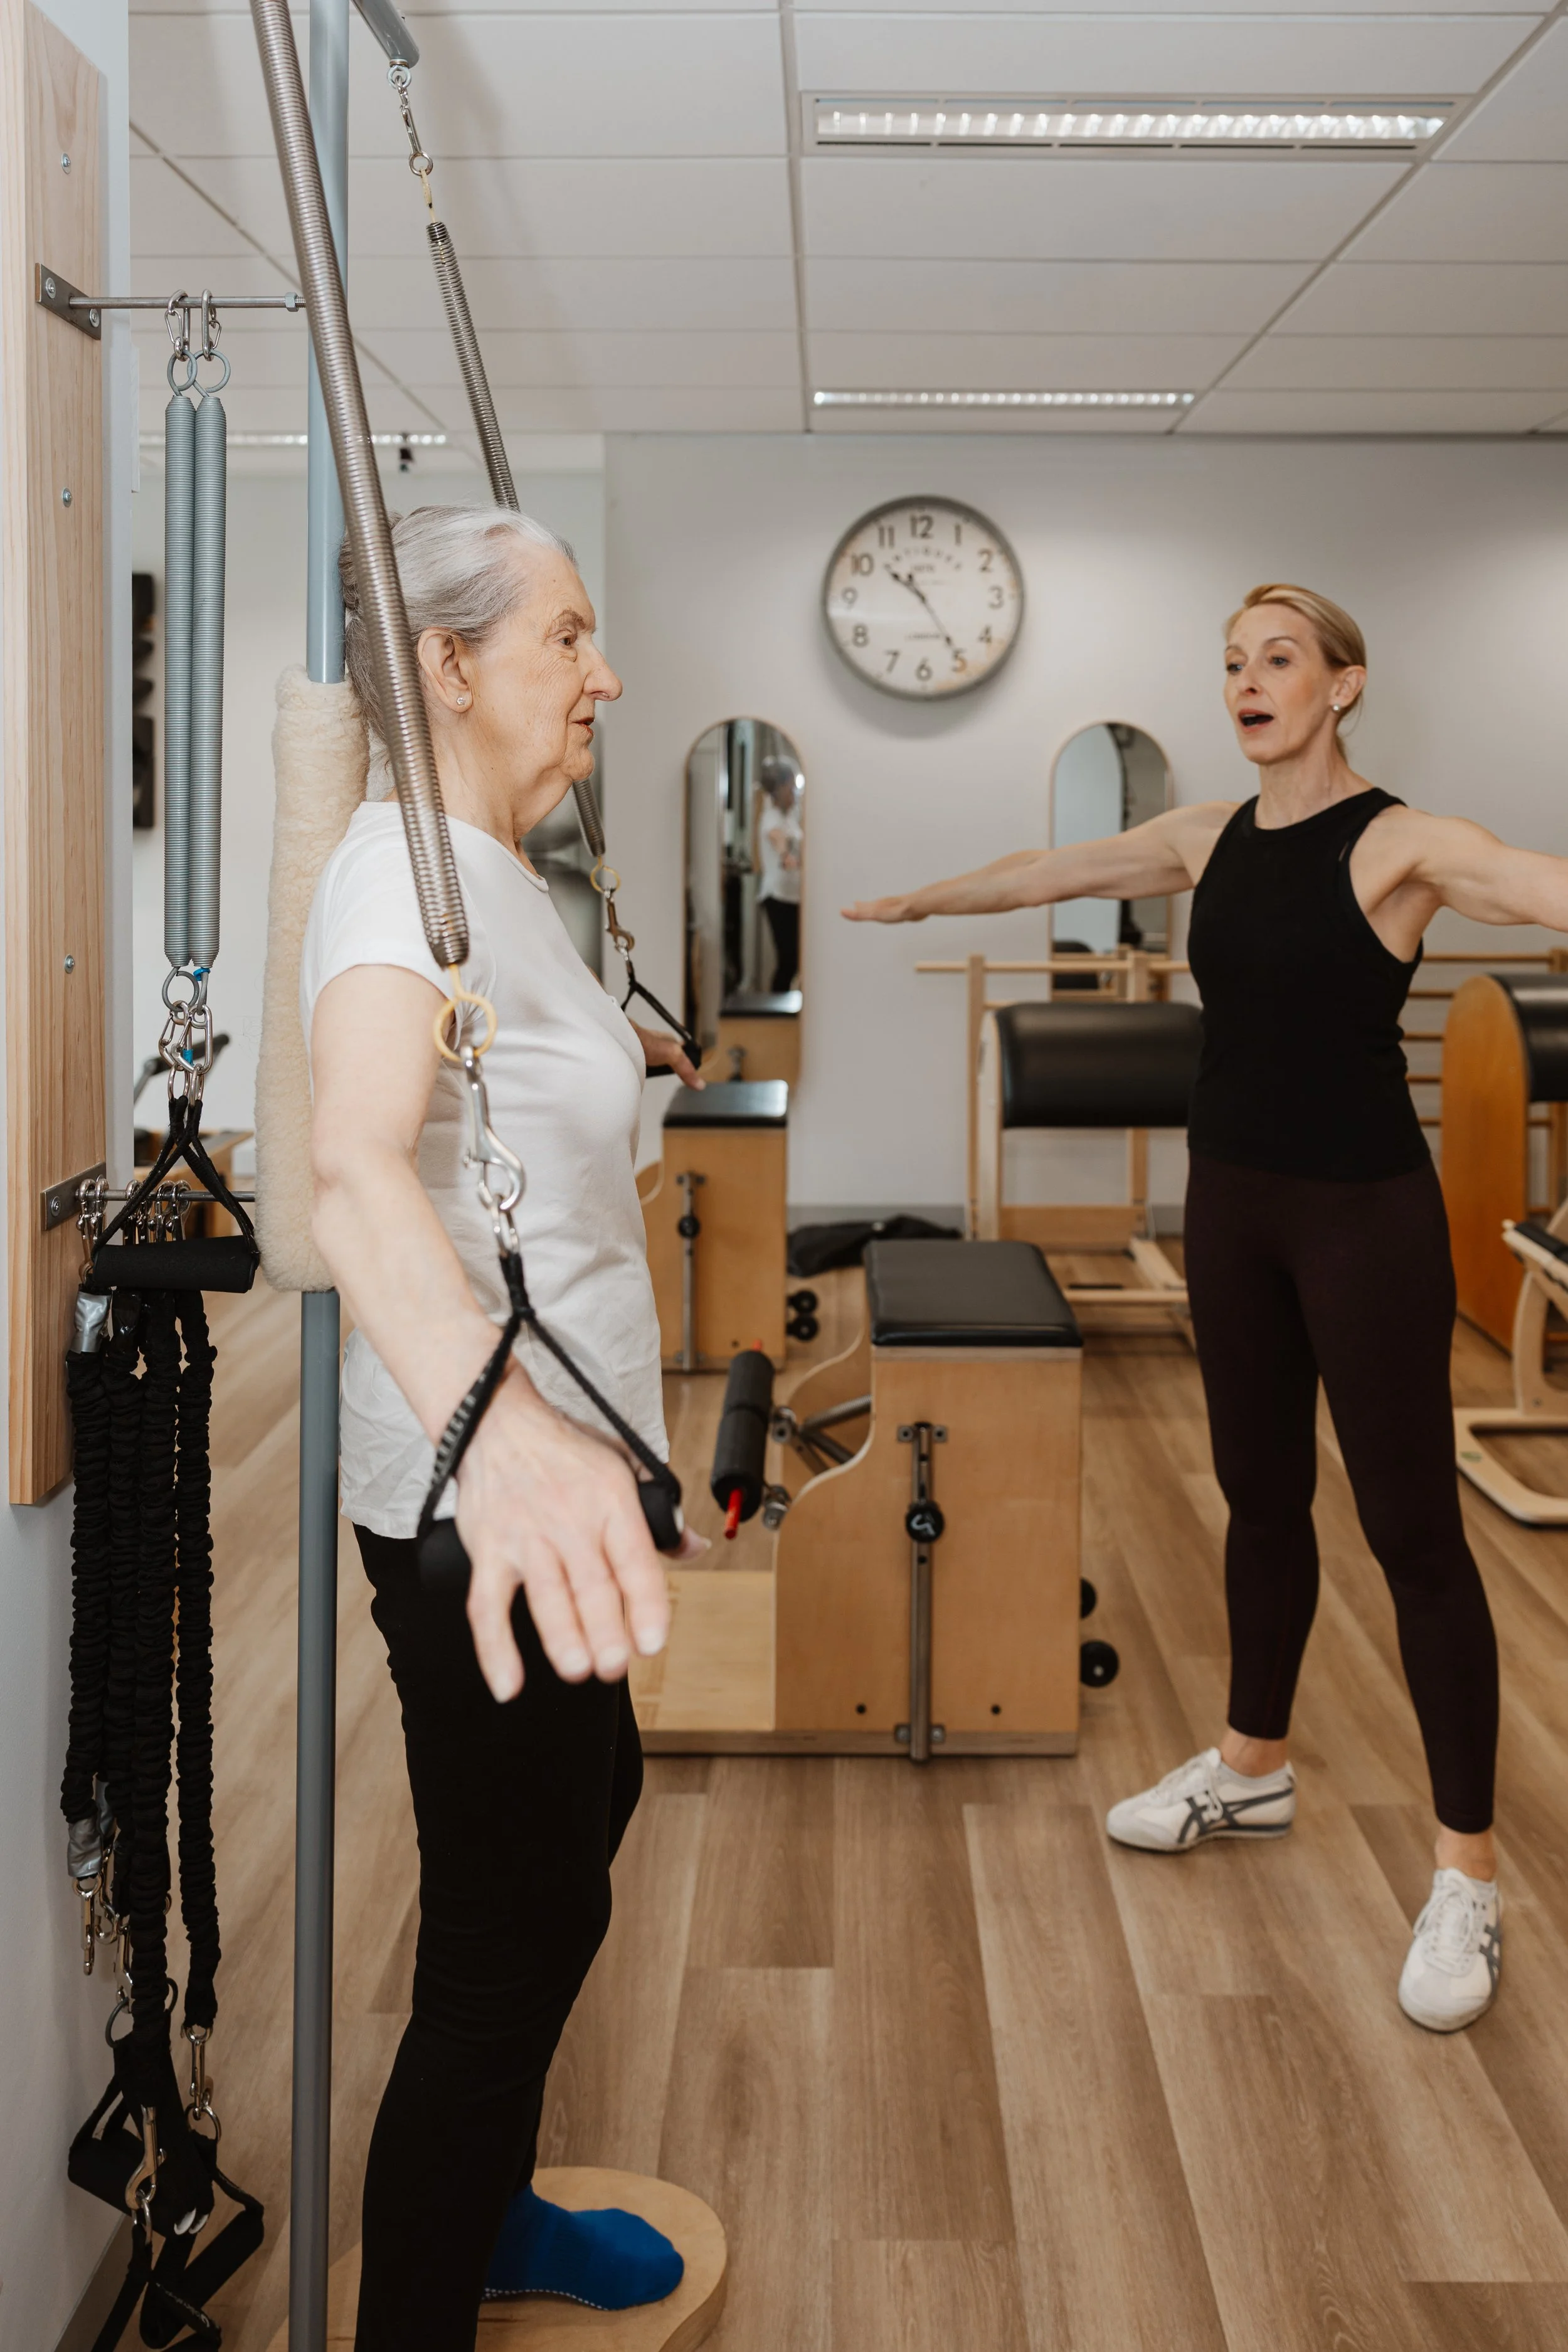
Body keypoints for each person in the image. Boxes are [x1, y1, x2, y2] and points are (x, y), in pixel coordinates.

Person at [845, 581, 1568, 2034]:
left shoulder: (1401, 845)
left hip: (1364, 1218)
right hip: (1230, 1205)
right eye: (1231, 660)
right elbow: (1049, 867)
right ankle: (1250, 1764)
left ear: (1344, 683)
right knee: (1258, 1499)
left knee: (1413, 1534)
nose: (1247, 681)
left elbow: (1536, 886)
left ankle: (1466, 1871)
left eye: (1279, 658)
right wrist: (925, 894)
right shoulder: (1207, 836)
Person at [301, 504, 704, 2349]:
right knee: (495, 1940)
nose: (602, 671)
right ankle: (437, 2286)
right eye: (567, 636)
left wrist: (624, 1063)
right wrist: (508, 1434)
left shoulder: (487, 870)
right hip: (488, 1509)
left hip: (551, 1490)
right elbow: (347, 1167)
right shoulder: (401, 877)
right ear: (448, 665)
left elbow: (504, 1110)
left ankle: (499, 2209)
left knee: (579, 1821)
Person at [755, 758, 802, 990]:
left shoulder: (791, 816)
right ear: (781, 788)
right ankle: (778, 1016)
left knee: (796, 959)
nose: (794, 791)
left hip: (793, 897)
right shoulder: (771, 817)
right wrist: (785, 855)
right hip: (778, 897)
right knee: (788, 960)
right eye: (791, 786)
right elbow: (777, 837)